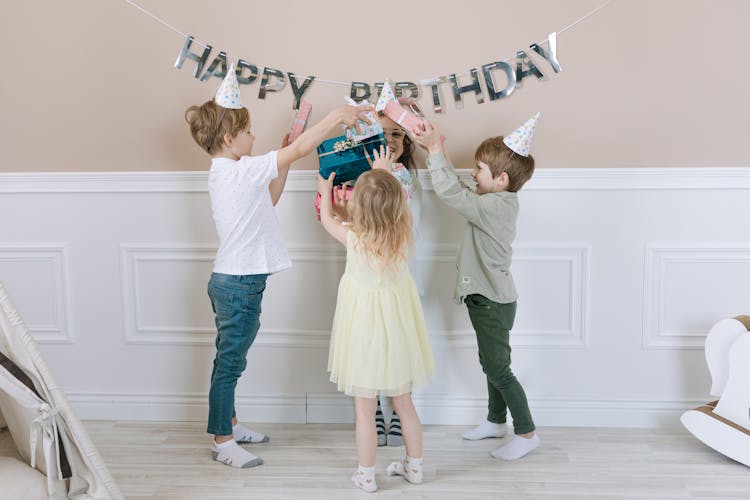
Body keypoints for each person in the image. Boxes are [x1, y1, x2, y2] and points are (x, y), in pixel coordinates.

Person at [185, 65, 372, 469]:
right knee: (229, 364)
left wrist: (282, 159)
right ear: (229, 138)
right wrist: (335, 118)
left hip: (241, 281)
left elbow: (269, 198)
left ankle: (230, 424)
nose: (254, 137)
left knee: (233, 360)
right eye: (249, 131)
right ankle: (223, 440)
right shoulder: (237, 170)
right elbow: (303, 149)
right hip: (237, 283)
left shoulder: (235, 172)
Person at [412, 114, 541, 461]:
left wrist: (436, 150)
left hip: (491, 301)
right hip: (488, 299)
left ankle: (526, 432)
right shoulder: (496, 200)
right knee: (491, 363)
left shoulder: (494, 207)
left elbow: (452, 194)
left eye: (479, 168)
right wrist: (440, 151)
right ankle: (496, 421)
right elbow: (461, 191)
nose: (474, 173)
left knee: (499, 368)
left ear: (500, 179)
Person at [317, 168, 435, 492]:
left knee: (364, 411)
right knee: (405, 403)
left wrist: (326, 189)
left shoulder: (354, 237)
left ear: (360, 208)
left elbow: (327, 219)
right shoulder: (405, 234)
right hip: (398, 333)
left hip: (363, 335)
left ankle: (366, 475)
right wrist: (388, 174)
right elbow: (397, 203)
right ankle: (415, 467)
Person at [372, 114, 424, 448]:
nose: (391, 140)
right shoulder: (362, 176)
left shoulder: (401, 176)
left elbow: (394, 213)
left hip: (393, 277)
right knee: (370, 341)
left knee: (394, 341)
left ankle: (396, 401)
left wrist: (383, 174)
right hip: (364, 275)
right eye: (383, 134)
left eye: (397, 135)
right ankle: (374, 402)